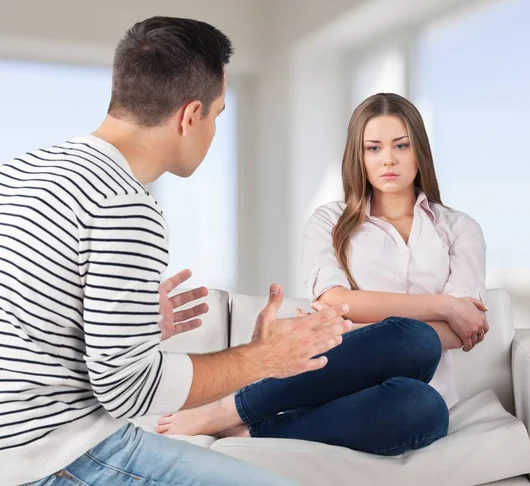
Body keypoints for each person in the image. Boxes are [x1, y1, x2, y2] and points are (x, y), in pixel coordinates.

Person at [0, 17, 353, 486]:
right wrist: (266, 357)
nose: (213, 131)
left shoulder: (24, 170)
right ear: (190, 116)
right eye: (217, 114)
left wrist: (123, 322)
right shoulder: (124, 203)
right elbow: (129, 391)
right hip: (55, 455)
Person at [156, 93, 488, 457]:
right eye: (373, 148)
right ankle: (228, 409)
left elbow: (460, 330)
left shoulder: (459, 229)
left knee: (425, 404)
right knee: (417, 338)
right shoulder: (330, 221)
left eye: (401, 145)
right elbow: (334, 299)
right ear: (358, 156)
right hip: (337, 380)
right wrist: (443, 305)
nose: (388, 159)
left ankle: (253, 433)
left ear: (419, 150)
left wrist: (356, 325)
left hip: (416, 390)